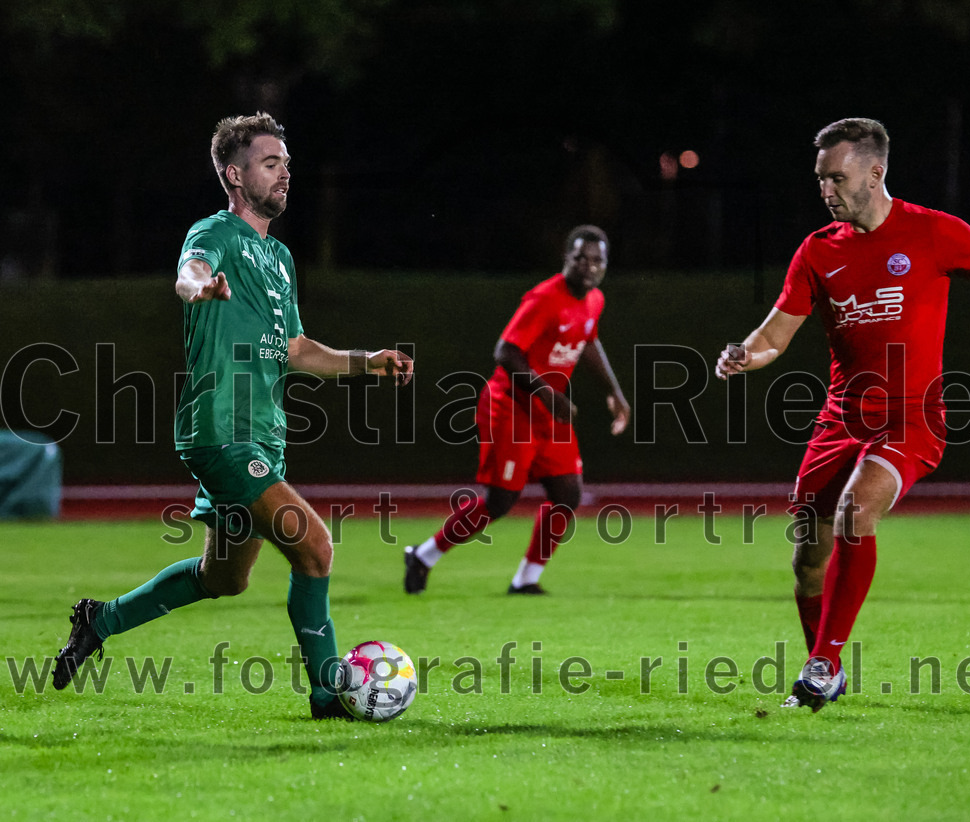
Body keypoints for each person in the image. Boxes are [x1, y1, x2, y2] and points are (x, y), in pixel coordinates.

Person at [52, 112, 414, 720]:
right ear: (235, 175)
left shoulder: (280, 258)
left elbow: (296, 349)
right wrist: (200, 285)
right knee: (316, 549)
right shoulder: (216, 231)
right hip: (222, 430)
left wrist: (366, 361)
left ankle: (100, 619)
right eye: (271, 163)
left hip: (262, 434)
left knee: (224, 578)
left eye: (287, 164)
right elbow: (188, 272)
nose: (285, 173)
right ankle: (329, 694)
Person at [716, 117, 970, 712]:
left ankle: (823, 662)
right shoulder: (818, 251)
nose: (825, 189)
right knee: (809, 560)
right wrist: (743, 352)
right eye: (820, 179)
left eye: (837, 177)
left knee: (859, 509)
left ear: (875, 171)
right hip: (840, 423)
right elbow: (776, 335)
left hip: (912, 420)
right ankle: (824, 667)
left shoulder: (934, 232)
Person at [404, 225, 630, 595]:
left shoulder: (594, 300)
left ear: (605, 265)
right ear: (566, 259)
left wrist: (614, 392)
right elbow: (506, 352)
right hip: (512, 406)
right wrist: (546, 393)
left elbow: (588, 340)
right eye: (581, 258)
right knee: (500, 501)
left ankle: (526, 579)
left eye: (597, 261)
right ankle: (424, 555)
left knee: (568, 494)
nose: (588, 266)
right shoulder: (544, 298)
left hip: (546, 409)